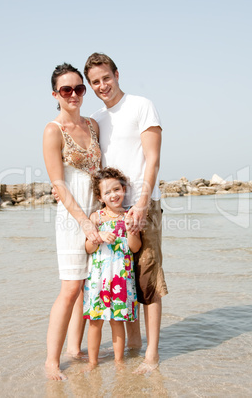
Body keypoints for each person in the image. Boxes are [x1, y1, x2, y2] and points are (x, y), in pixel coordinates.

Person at [83, 53, 168, 373]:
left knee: (148, 279)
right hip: (110, 209)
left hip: (142, 206)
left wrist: (143, 204)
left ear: (117, 74)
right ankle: (132, 347)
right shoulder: (96, 119)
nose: (102, 85)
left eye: (106, 78)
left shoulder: (141, 105)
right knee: (123, 279)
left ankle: (151, 355)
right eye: (95, 82)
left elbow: (153, 159)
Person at [43, 63, 102, 380]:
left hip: (96, 213)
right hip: (72, 217)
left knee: (87, 287)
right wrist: (83, 221)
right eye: (67, 89)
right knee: (70, 287)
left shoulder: (93, 125)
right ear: (56, 94)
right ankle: (52, 361)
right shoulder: (53, 130)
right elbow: (60, 184)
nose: (75, 94)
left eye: (79, 88)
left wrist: (101, 214)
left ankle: (75, 349)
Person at [83, 167, 141, 370]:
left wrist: (129, 228)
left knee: (117, 320)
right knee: (95, 321)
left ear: (123, 189)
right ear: (100, 196)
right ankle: (92, 362)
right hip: (99, 277)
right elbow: (88, 248)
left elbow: (135, 247)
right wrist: (98, 238)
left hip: (120, 277)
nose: (113, 195)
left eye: (116, 189)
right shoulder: (96, 217)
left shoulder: (130, 215)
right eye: (107, 192)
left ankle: (119, 362)